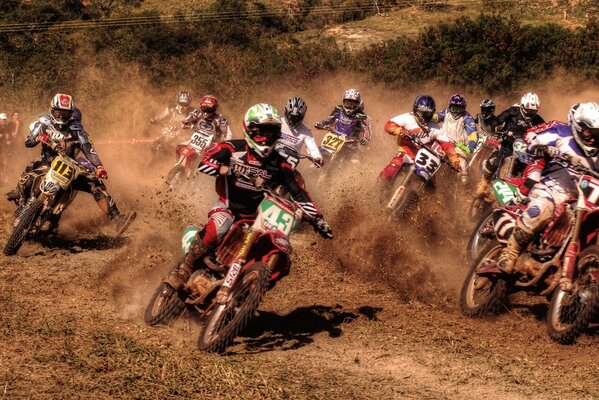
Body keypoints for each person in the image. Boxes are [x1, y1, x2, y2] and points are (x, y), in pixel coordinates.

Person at [164, 103, 333, 291]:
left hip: (256, 217)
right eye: (261, 132)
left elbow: (299, 192)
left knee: (276, 255)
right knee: (218, 228)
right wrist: (229, 169)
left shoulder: (280, 164)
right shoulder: (232, 148)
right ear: (249, 130)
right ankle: (184, 270)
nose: (265, 138)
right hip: (227, 207)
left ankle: (245, 291)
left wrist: (318, 219)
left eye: (271, 133)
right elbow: (204, 164)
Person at [479, 101, 599, 275]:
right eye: (589, 133)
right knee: (542, 210)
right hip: (551, 189)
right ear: (578, 128)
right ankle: (510, 253)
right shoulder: (561, 133)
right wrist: (545, 149)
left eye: (598, 134)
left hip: (581, 201)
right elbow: (533, 144)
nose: (594, 138)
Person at [4, 93, 136, 233]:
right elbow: (28, 142)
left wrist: (99, 166)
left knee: (96, 185)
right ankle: (20, 195)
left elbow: (88, 149)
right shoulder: (43, 122)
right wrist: (37, 138)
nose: (61, 116)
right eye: (58, 112)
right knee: (30, 173)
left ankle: (117, 219)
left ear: (71, 114)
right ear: (52, 110)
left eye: (65, 113)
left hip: (70, 167)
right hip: (47, 162)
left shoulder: (77, 129)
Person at [378, 94, 462, 186]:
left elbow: (447, 145)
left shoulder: (435, 128)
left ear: (432, 113)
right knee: (389, 171)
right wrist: (399, 130)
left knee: (431, 187)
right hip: (406, 154)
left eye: (428, 114)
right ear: (415, 110)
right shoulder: (407, 118)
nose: (423, 116)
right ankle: (378, 189)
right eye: (421, 113)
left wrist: (455, 161)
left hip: (425, 161)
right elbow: (389, 125)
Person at [474, 92, 545, 197]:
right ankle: (483, 184)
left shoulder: (538, 120)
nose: (530, 114)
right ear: (522, 106)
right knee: (494, 162)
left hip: (524, 152)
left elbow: (545, 132)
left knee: (530, 173)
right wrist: (497, 127)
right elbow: (497, 121)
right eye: (528, 111)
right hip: (507, 145)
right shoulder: (512, 112)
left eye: (533, 111)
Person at [314, 88, 371, 163]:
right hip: (334, 139)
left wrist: (365, 138)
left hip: (350, 143)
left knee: (356, 162)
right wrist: (322, 124)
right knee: (317, 153)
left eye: (353, 104)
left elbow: (366, 129)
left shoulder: (361, 116)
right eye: (348, 103)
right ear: (344, 102)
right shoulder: (338, 110)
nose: (350, 106)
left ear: (358, 104)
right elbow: (329, 119)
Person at [434, 93, 479, 183]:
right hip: (441, 142)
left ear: (464, 108)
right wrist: (425, 119)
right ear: (450, 106)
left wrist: (471, 146)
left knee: (462, 166)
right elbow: (435, 117)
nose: (456, 111)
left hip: (458, 147)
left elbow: (472, 133)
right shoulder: (446, 112)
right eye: (454, 108)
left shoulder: (467, 117)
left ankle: (462, 192)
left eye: (459, 108)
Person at [275, 96, 323, 167]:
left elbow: (313, 148)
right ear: (286, 112)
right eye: (290, 116)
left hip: (289, 165)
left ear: (302, 116)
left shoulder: (306, 132)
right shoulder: (277, 122)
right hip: (271, 156)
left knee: (298, 178)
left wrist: (318, 158)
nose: (292, 121)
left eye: (296, 118)